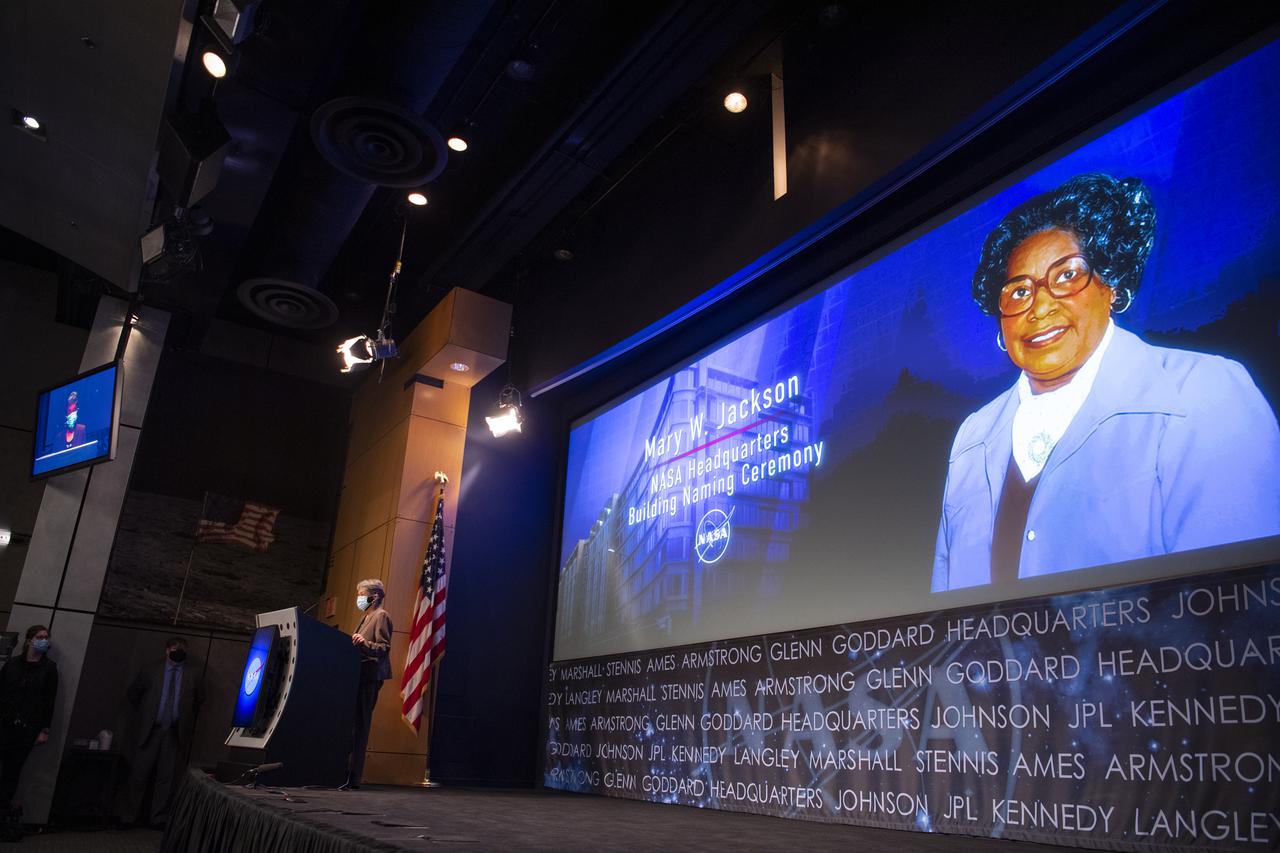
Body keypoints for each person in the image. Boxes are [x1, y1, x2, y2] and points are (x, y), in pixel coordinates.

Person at [932, 172, 1280, 591]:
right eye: (1018, 292)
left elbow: (1243, 611)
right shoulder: (973, 437)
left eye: (1066, 275)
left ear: (1111, 284)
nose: (1039, 307)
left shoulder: (1204, 394)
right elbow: (946, 621)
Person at [127, 637, 204, 827]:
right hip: (150, 731)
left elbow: (198, 701)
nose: (179, 652)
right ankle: (129, 817)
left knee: (166, 778)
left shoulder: (192, 674)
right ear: (167, 650)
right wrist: (147, 715)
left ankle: (158, 818)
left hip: (174, 732)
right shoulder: (151, 670)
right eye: (175, 649)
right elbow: (134, 694)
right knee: (139, 775)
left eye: (182, 650)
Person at [0, 626, 57, 814]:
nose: (44, 640)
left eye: (46, 637)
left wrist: (44, 729)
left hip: (27, 726)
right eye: (40, 637)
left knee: (12, 769)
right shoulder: (13, 664)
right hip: (5, 721)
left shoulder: (49, 669)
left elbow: (49, 701)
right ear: (29, 640)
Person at [342, 578, 392, 790]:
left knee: (360, 727)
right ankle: (344, 773)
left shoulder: (381, 616)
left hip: (370, 677)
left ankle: (353, 778)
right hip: (358, 675)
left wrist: (365, 643)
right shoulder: (365, 617)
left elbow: (383, 648)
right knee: (351, 727)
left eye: (362, 595)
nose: (359, 599)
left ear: (376, 596)